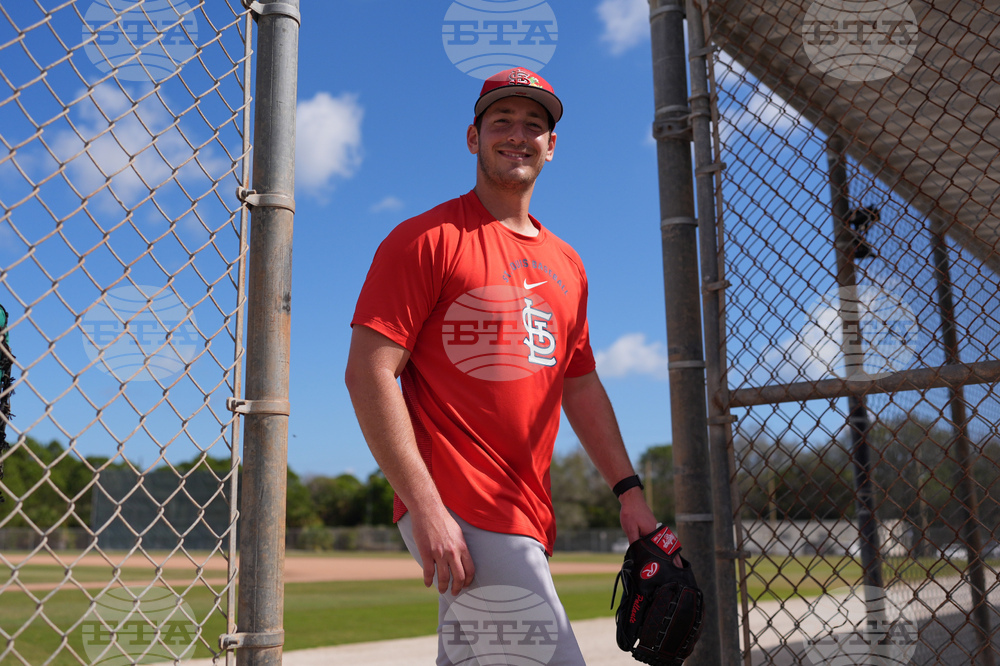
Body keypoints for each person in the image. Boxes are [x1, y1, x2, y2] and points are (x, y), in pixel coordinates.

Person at [345, 67, 663, 665]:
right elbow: (368, 372)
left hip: (524, 512)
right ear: (473, 137)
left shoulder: (568, 264)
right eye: (502, 121)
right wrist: (427, 506)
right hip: (459, 503)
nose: (519, 134)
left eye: (534, 125)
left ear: (552, 145)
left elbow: (581, 384)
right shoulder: (427, 239)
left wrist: (629, 491)